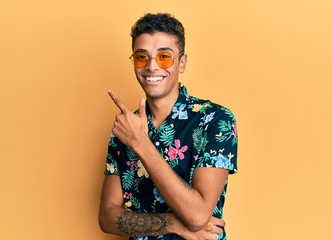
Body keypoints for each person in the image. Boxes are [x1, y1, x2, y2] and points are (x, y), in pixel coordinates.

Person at [99, 13, 238, 240]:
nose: (152, 66)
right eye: (142, 56)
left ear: (182, 62)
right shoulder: (125, 129)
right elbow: (107, 217)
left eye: (164, 56)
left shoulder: (215, 119)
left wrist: (140, 143)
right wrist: (173, 224)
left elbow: (196, 217)